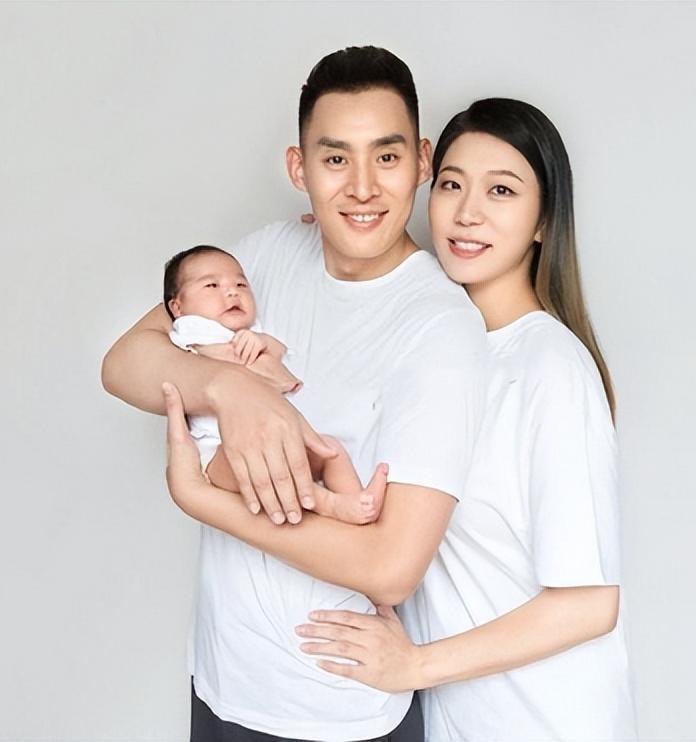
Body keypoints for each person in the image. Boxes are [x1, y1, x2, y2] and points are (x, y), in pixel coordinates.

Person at [103, 46, 488, 741]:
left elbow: (391, 569)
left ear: (423, 161)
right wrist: (229, 388)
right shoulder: (263, 257)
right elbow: (125, 360)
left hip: (333, 712)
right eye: (336, 158)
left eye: (387, 156)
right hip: (221, 683)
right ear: (299, 168)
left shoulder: (439, 326)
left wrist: (203, 499)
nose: (362, 187)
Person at [284, 99, 639, 740]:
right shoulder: (434, 347)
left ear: (543, 221)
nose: (467, 212)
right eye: (451, 185)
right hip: (456, 722)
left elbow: (590, 603)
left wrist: (414, 665)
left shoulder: (549, 367)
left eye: (501, 190)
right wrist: (344, 236)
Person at [164, 244, 388, 525]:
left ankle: (356, 499)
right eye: (212, 285)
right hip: (218, 454)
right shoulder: (192, 329)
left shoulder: (250, 330)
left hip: (274, 439)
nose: (232, 292)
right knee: (270, 469)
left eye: (241, 284)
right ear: (178, 306)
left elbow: (278, 354)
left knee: (329, 449)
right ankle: (330, 504)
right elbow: (225, 361)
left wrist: (262, 342)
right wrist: (253, 351)